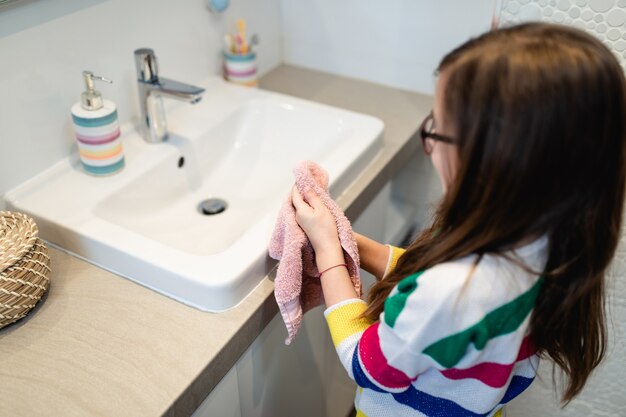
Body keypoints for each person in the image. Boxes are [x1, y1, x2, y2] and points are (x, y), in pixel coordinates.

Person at [291, 22, 626, 417]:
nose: (430, 144)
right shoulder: (546, 243)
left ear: (493, 163)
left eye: (438, 130)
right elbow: (434, 284)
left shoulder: (452, 291)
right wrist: (356, 246)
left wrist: (329, 252)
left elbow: (367, 367)